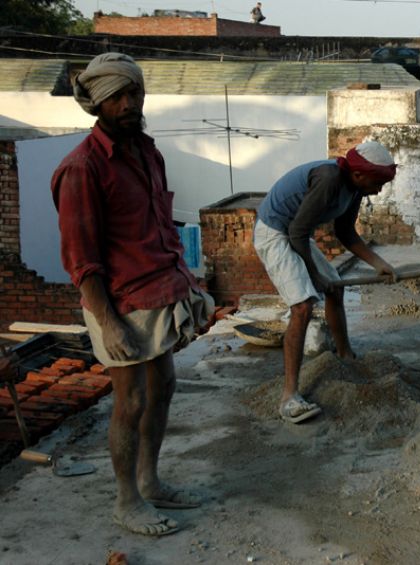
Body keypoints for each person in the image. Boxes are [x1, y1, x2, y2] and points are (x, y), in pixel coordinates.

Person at [51, 52, 214, 537]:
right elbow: (81, 259)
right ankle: (127, 501)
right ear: (97, 103)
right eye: (116, 96)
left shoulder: (147, 152)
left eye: (134, 93)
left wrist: (191, 285)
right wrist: (108, 321)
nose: (128, 103)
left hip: (159, 292)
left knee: (162, 388)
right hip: (119, 303)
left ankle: (151, 481)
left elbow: (162, 229)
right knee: (131, 402)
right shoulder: (81, 168)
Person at [254, 142, 398, 423]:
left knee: (336, 287)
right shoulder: (330, 179)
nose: (380, 190)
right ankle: (289, 396)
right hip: (274, 231)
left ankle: (345, 356)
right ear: (358, 174)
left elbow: (345, 232)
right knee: (302, 306)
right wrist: (315, 276)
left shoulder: (355, 188)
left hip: (295, 232)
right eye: (378, 182)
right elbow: (297, 232)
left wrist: (380, 264)